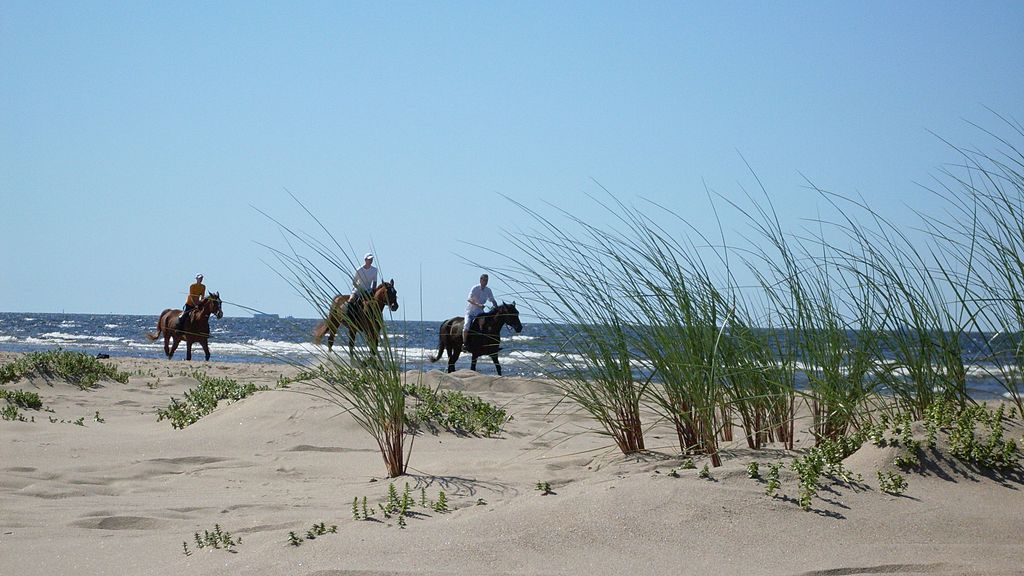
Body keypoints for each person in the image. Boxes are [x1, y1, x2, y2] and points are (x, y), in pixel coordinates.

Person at [464, 273, 498, 341]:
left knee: (486, 325)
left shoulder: (488, 290)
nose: (485, 282)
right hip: (471, 311)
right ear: (480, 280)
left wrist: (496, 307)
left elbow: (492, 300)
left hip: (480, 312)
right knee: (466, 326)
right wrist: (478, 305)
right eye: (484, 280)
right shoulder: (475, 288)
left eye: (487, 280)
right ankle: (464, 342)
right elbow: (469, 299)